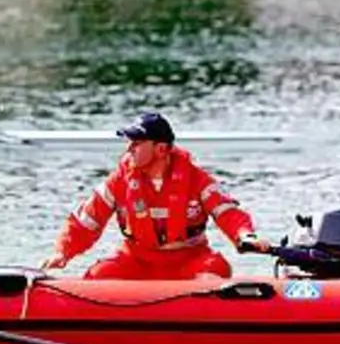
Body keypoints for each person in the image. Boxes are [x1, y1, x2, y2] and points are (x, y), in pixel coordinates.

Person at [40, 112, 270, 280]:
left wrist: (245, 236)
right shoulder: (120, 180)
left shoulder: (197, 180)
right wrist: (63, 253)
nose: (129, 149)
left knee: (216, 271)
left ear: (161, 149)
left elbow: (228, 213)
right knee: (98, 275)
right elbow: (87, 220)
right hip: (137, 260)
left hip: (189, 260)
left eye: (137, 144)